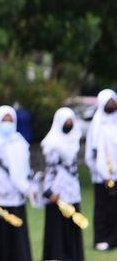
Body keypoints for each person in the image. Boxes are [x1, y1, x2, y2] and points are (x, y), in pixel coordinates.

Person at [0, 105, 32, 261]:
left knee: (18, 241)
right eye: (4, 120)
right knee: (0, 242)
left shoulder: (20, 142)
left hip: (17, 198)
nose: (7, 124)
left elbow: (25, 168)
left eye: (10, 120)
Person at [40, 107, 84, 261]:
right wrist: (49, 191)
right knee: (58, 227)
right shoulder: (52, 143)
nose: (69, 124)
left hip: (72, 189)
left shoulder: (73, 142)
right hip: (57, 191)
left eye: (71, 121)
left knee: (72, 225)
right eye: (66, 122)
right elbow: (50, 170)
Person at [85, 88, 117, 251]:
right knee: (103, 208)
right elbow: (92, 154)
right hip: (102, 177)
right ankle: (102, 238)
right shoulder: (97, 125)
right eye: (109, 102)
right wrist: (103, 174)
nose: (112, 105)